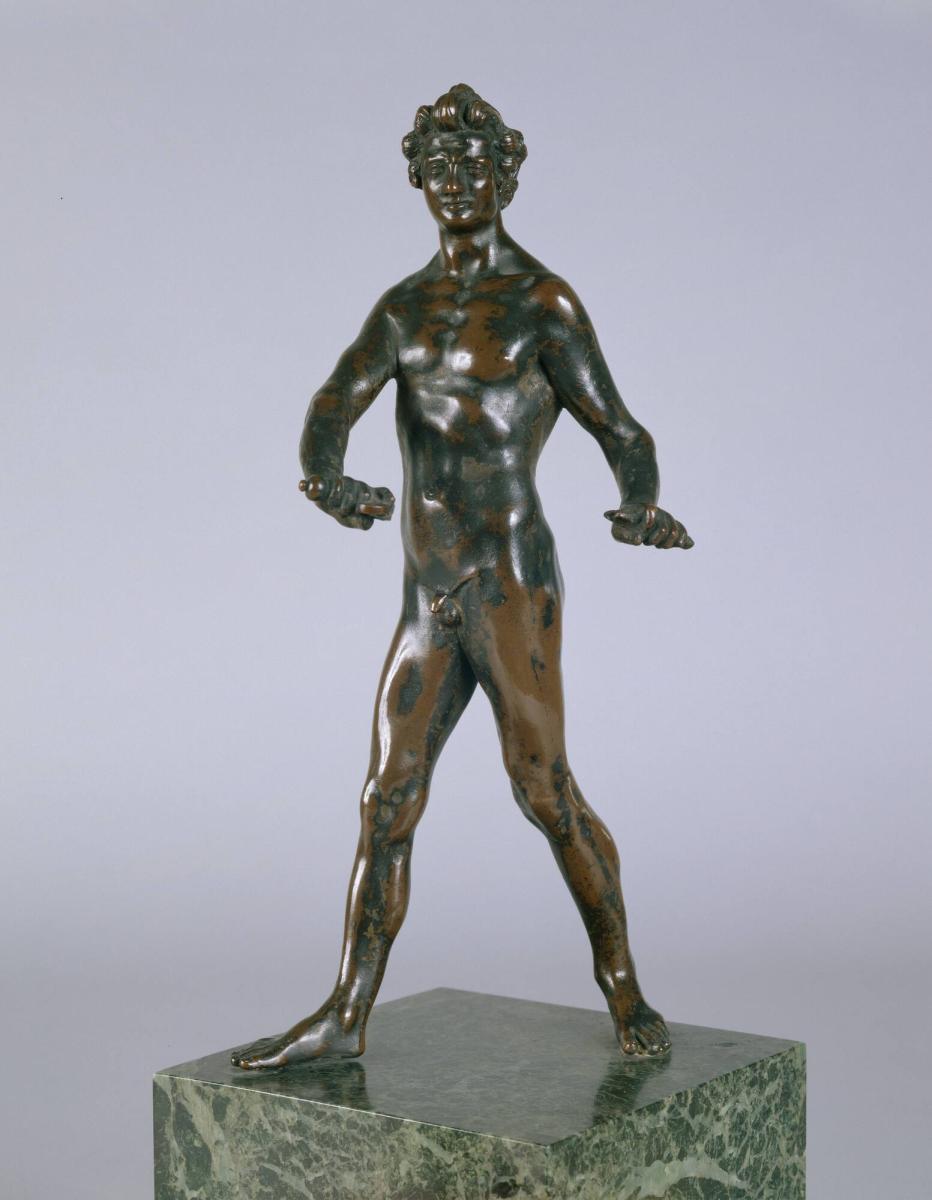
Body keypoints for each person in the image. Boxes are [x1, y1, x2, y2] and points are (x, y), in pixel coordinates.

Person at [233, 83, 692, 1070]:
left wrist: (640, 501)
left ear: (504, 176)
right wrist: (325, 476)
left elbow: (622, 430)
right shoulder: (403, 308)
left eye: (471, 165)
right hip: (425, 594)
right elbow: (333, 399)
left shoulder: (540, 303)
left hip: (508, 584)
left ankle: (623, 987)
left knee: (543, 792)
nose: (453, 180)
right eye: (437, 166)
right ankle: (346, 1014)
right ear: (417, 179)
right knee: (385, 799)